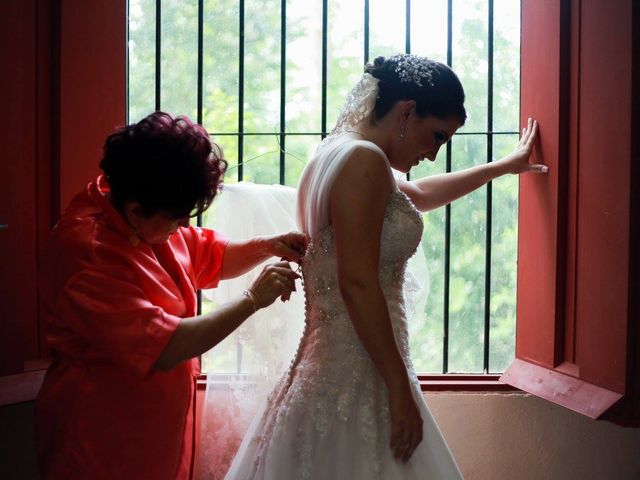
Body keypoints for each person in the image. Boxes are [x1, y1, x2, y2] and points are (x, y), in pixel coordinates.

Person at [220, 54, 545, 479]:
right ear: (407, 111)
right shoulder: (363, 160)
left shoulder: (334, 151)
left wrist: (504, 166)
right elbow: (356, 281)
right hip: (360, 370)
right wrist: (397, 387)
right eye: (437, 137)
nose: (433, 154)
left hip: (331, 366)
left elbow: (420, 193)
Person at [35, 111, 307, 480]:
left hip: (157, 430)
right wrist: (252, 300)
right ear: (136, 209)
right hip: (101, 437)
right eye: (179, 216)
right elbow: (167, 346)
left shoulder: (143, 210)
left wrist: (269, 245)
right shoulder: (87, 253)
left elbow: (210, 256)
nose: (184, 225)